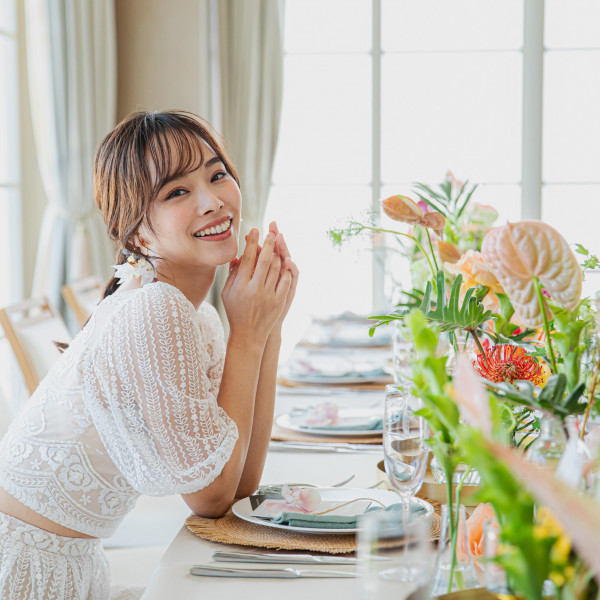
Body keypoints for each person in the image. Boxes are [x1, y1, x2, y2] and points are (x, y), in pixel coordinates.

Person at [0, 110, 298, 600]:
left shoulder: (191, 314)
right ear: (136, 234)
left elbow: (239, 483)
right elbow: (212, 497)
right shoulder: (154, 309)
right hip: (27, 573)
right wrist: (248, 334)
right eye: (176, 192)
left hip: (72, 565)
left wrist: (268, 327)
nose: (211, 200)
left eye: (217, 174)